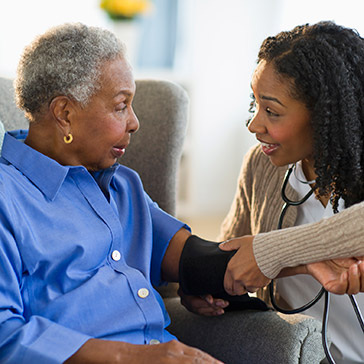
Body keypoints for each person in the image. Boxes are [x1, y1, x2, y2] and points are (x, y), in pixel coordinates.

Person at [0, 22, 359, 364]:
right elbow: (5, 334)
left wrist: (306, 261)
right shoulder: (8, 199)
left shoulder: (123, 187)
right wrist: (140, 358)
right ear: (64, 113)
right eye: (121, 105)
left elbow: (201, 260)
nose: (135, 122)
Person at [215, 21, 364, 363]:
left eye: (272, 111)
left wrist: (274, 252)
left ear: (327, 114)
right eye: (255, 105)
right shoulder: (261, 167)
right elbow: (232, 256)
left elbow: (262, 253)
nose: (254, 125)